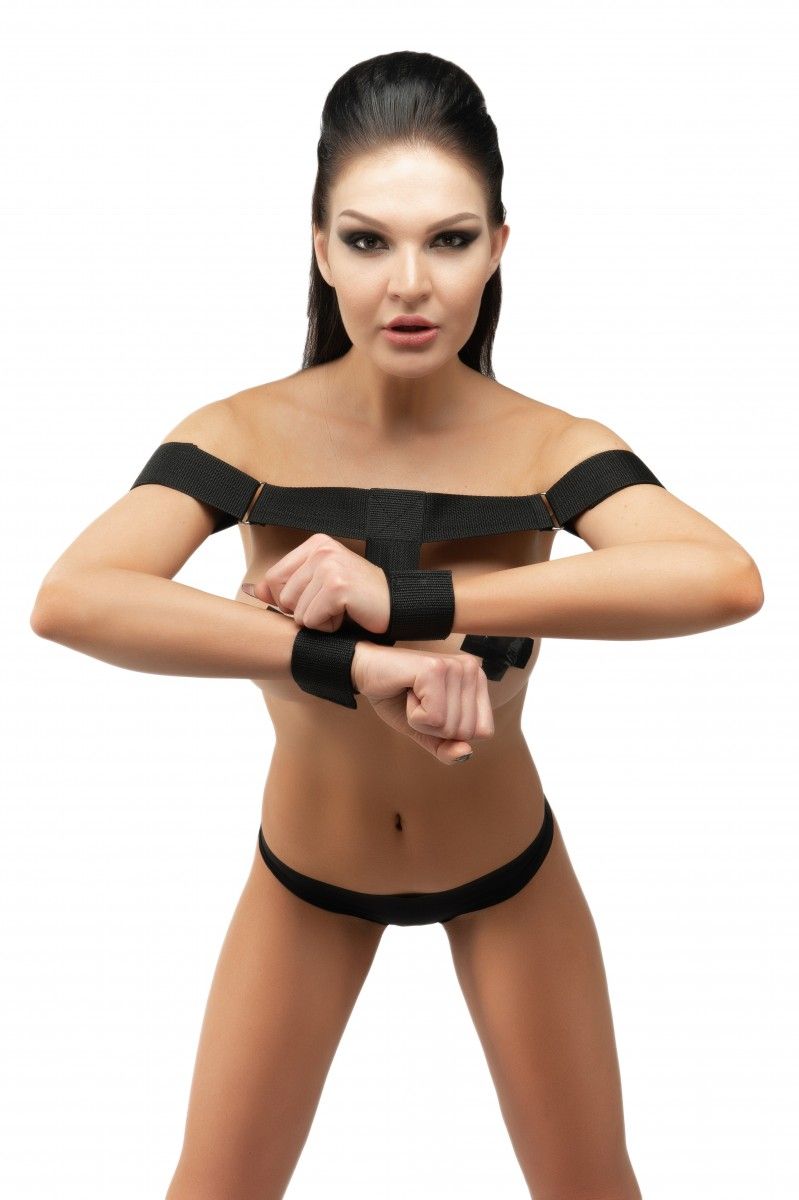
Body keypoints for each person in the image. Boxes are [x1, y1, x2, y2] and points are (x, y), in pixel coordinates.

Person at [29, 49, 764, 1200]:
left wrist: (414, 599)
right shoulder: (241, 434)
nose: (408, 284)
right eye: (369, 241)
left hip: (507, 872)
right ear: (320, 249)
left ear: (499, 247)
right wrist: (352, 663)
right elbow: (72, 598)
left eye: (449, 240)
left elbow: (722, 579)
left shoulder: (548, 443)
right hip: (305, 879)